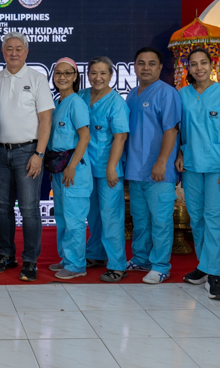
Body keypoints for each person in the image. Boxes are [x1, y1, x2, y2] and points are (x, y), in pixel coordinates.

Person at [0, 32, 55, 282]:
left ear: (27, 52)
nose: (13, 52)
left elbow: (46, 119)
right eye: (9, 48)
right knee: (3, 207)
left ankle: (30, 261)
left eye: (19, 48)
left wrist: (39, 153)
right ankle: (6, 255)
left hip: (28, 151)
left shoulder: (37, 79)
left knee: (28, 208)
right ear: (2, 52)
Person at [175, 48, 220, 300]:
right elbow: (180, 130)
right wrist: (180, 154)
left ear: (212, 65)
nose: (199, 68)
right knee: (197, 218)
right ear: (188, 68)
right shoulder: (182, 95)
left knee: (215, 217)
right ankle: (204, 266)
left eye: (203, 63)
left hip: (218, 167)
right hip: (191, 166)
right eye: (194, 64)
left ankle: (213, 274)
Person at [125, 47, 181, 284]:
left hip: (159, 171)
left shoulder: (167, 93)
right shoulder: (131, 94)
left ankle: (160, 266)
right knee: (140, 220)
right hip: (136, 170)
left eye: (151, 63)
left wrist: (161, 162)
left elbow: (172, 130)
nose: (145, 67)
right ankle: (141, 259)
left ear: (160, 67)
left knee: (160, 221)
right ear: (134, 67)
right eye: (141, 63)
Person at [79, 56, 130, 283]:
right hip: (85, 167)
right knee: (93, 215)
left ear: (111, 76)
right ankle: (96, 254)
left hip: (108, 167)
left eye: (103, 73)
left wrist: (111, 167)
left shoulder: (116, 102)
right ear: (87, 75)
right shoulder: (81, 96)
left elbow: (120, 137)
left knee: (111, 216)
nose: (98, 77)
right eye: (93, 73)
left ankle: (117, 265)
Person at [46, 58, 92, 279]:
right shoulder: (58, 103)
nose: (62, 77)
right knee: (63, 217)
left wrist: (72, 166)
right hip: (59, 168)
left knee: (74, 218)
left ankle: (76, 265)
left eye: (67, 73)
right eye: (58, 74)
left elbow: (85, 136)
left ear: (75, 76)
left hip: (74, 169)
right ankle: (66, 258)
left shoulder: (76, 103)